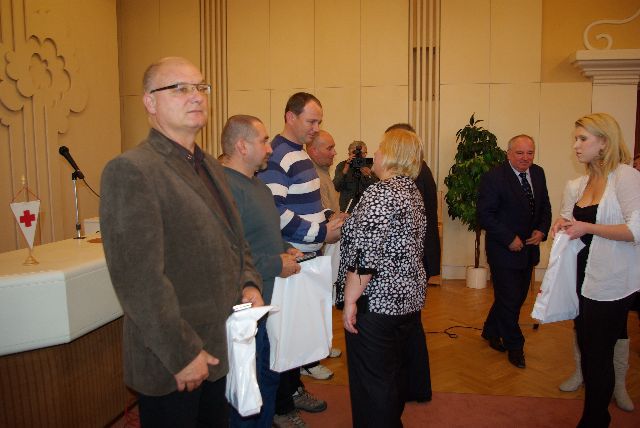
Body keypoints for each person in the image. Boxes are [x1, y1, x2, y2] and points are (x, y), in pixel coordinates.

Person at [99, 57, 264, 428]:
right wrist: (182, 353)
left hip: (218, 346)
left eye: (201, 87)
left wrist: (249, 283)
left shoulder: (210, 165)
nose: (196, 96)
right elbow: (139, 281)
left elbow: (236, 240)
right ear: (150, 102)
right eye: (179, 88)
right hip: (174, 359)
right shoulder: (132, 170)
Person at [257, 92, 344, 427]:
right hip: (290, 259)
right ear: (290, 117)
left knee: (298, 335)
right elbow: (275, 211)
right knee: (285, 338)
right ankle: (281, 406)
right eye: (311, 121)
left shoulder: (299, 153)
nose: (316, 128)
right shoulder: (278, 155)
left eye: (319, 121)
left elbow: (304, 204)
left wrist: (327, 218)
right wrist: (321, 232)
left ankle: (293, 391)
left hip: (305, 255)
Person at [551, 113, 640, 427]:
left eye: (582, 139)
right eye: (575, 139)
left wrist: (587, 227)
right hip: (582, 276)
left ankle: (595, 419)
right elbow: (571, 220)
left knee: (599, 354)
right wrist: (562, 225)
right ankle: (596, 415)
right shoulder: (582, 182)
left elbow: (636, 230)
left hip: (611, 280)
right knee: (589, 351)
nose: (576, 145)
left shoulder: (626, 176)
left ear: (604, 142)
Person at [335, 128, 427, 428]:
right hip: (406, 301)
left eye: (380, 148)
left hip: (377, 303)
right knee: (392, 375)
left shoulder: (381, 192)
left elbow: (366, 254)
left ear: (391, 155)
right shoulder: (411, 191)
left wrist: (350, 300)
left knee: (372, 384)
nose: (374, 153)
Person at [220, 114, 304, 427]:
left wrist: (285, 247)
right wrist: (275, 264)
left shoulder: (258, 185)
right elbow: (228, 252)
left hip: (268, 304)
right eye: (264, 140)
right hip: (243, 309)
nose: (270, 148)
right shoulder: (224, 188)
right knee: (245, 391)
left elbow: (263, 234)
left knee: (267, 380)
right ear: (242, 146)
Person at [477, 134, 552, 369]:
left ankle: (491, 330)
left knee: (515, 298)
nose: (525, 158)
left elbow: (545, 207)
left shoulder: (538, 173)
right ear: (508, 154)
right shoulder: (494, 177)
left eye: (530, 153)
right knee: (510, 300)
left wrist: (542, 230)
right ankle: (515, 346)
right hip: (503, 251)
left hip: (529, 250)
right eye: (520, 153)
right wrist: (509, 238)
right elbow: (485, 215)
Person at [384, 123, 440, 403]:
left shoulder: (409, 179)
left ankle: (411, 387)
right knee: (411, 328)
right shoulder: (420, 172)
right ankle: (416, 387)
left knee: (408, 330)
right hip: (418, 258)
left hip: (412, 260)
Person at [306, 129, 344, 360]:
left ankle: (322, 346)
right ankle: (312, 356)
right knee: (314, 303)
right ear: (313, 150)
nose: (334, 152)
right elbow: (320, 215)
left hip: (324, 246)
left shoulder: (323, 173)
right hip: (314, 248)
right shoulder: (311, 175)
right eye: (329, 148)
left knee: (322, 301)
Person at [333, 140, 378, 212]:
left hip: (367, 208)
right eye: (356, 154)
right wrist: (345, 169)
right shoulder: (342, 165)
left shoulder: (371, 165)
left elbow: (378, 187)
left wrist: (369, 176)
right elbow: (336, 187)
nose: (360, 156)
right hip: (347, 209)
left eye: (363, 153)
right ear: (349, 154)